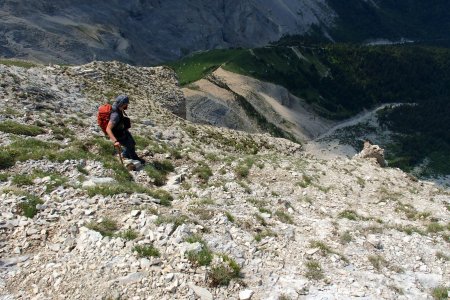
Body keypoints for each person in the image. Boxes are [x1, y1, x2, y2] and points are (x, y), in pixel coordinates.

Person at [105, 95, 145, 164]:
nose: (127, 105)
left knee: (132, 142)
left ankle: (127, 155)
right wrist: (115, 141)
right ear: (122, 103)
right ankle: (132, 157)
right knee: (129, 145)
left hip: (122, 130)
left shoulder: (117, 107)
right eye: (126, 104)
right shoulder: (115, 115)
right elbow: (108, 129)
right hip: (118, 134)